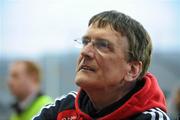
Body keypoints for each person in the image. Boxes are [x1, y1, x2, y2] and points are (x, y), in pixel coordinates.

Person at [33, 10, 170, 120]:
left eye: (102, 45)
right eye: (85, 42)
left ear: (132, 70)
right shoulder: (63, 108)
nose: (85, 52)